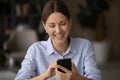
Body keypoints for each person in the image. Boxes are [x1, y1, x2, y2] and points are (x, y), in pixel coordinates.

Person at [15, 0, 101, 80]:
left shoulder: (85, 46)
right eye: (52, 26)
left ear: (70, 22)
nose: (58, 30)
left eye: (63, 24)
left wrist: (77, 78)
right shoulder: (35, 50)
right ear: (44, 26)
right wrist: (46, 75)